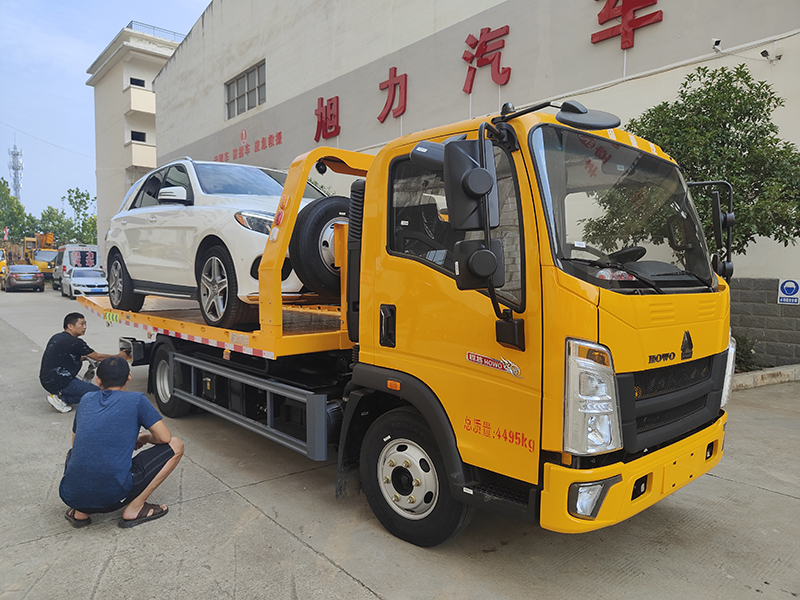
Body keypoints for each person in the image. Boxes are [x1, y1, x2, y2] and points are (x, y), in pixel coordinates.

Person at [59, 356, 184, 528]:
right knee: (176, 445)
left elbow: (77, 445)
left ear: (98, 380)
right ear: (129, 377)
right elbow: (164, 438)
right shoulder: (137, 400)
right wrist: (144, 438)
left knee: (75, 454)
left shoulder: (86, 399)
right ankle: (135, 507)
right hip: (114, 497)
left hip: (71, 495)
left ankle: (80, 511)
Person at [39, 312, 129, 413]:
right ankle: (62, 399)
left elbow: (65, 356)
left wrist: (85, 357)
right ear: (70, 326)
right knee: (99, 393)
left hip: (47, 379)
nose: (85, 327)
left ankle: (61, 395)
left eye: (85, 324)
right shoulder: (76, 342)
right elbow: (98, 357)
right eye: (81, 324)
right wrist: (119, 356)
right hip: (60, 381)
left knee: (84, 388)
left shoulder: (57, 337)